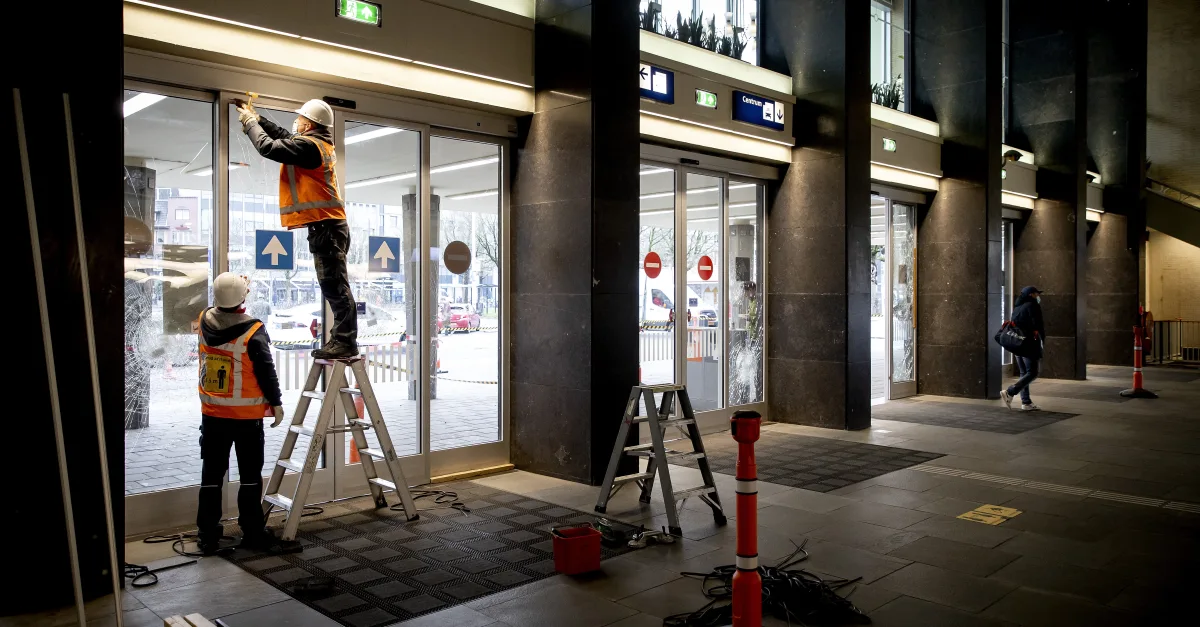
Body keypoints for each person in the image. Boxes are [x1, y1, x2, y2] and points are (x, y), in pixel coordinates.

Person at [236, 98, 358, 360]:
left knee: (336, 289)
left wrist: (249, 124)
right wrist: (258, 119)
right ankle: (342, 340)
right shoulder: (314, 144)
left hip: (327, 227)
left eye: (301, 118)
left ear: (310, 124)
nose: (297, 122)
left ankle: (345, 342)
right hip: (327, 225)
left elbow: (268, 147)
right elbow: (284, 136)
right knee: (334, 287)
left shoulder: (310, 147)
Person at [196, 273, 299, 555]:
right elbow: (266, 370)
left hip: (213, 414)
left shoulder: (205, 321)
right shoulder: (253, 330)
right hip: (246, 419)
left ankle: (207, 535)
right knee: (250, 478)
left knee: (211, 477)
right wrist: (276, 403)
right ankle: (253, 533)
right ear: (243, 297)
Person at [1001, 286, 1046, 411]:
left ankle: (1026, 402)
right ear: (1031, 295)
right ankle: (1010, 391)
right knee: (1033, 372)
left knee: (1024, 372)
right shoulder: (1033, 306)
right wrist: (1042, 340)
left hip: (1017, 343)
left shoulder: (1017, 307)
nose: (1038, 296)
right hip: (1028, 344)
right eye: (1036, 294)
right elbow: (1038, 325)